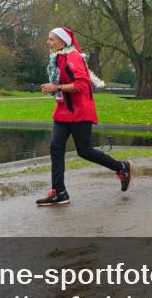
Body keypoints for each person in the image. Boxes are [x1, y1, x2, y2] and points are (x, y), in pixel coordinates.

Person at [36, 27, 132, 205]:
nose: (47, 42)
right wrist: (53, 87)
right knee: (55, 147)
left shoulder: (73, 57)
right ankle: (59, 191)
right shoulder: (57, 57)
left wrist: (56, 88)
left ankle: (122, 167)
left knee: (84, 151)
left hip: (80, 112)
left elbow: (81, 84)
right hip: (63, 111)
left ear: (62, 42)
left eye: (51, 39)